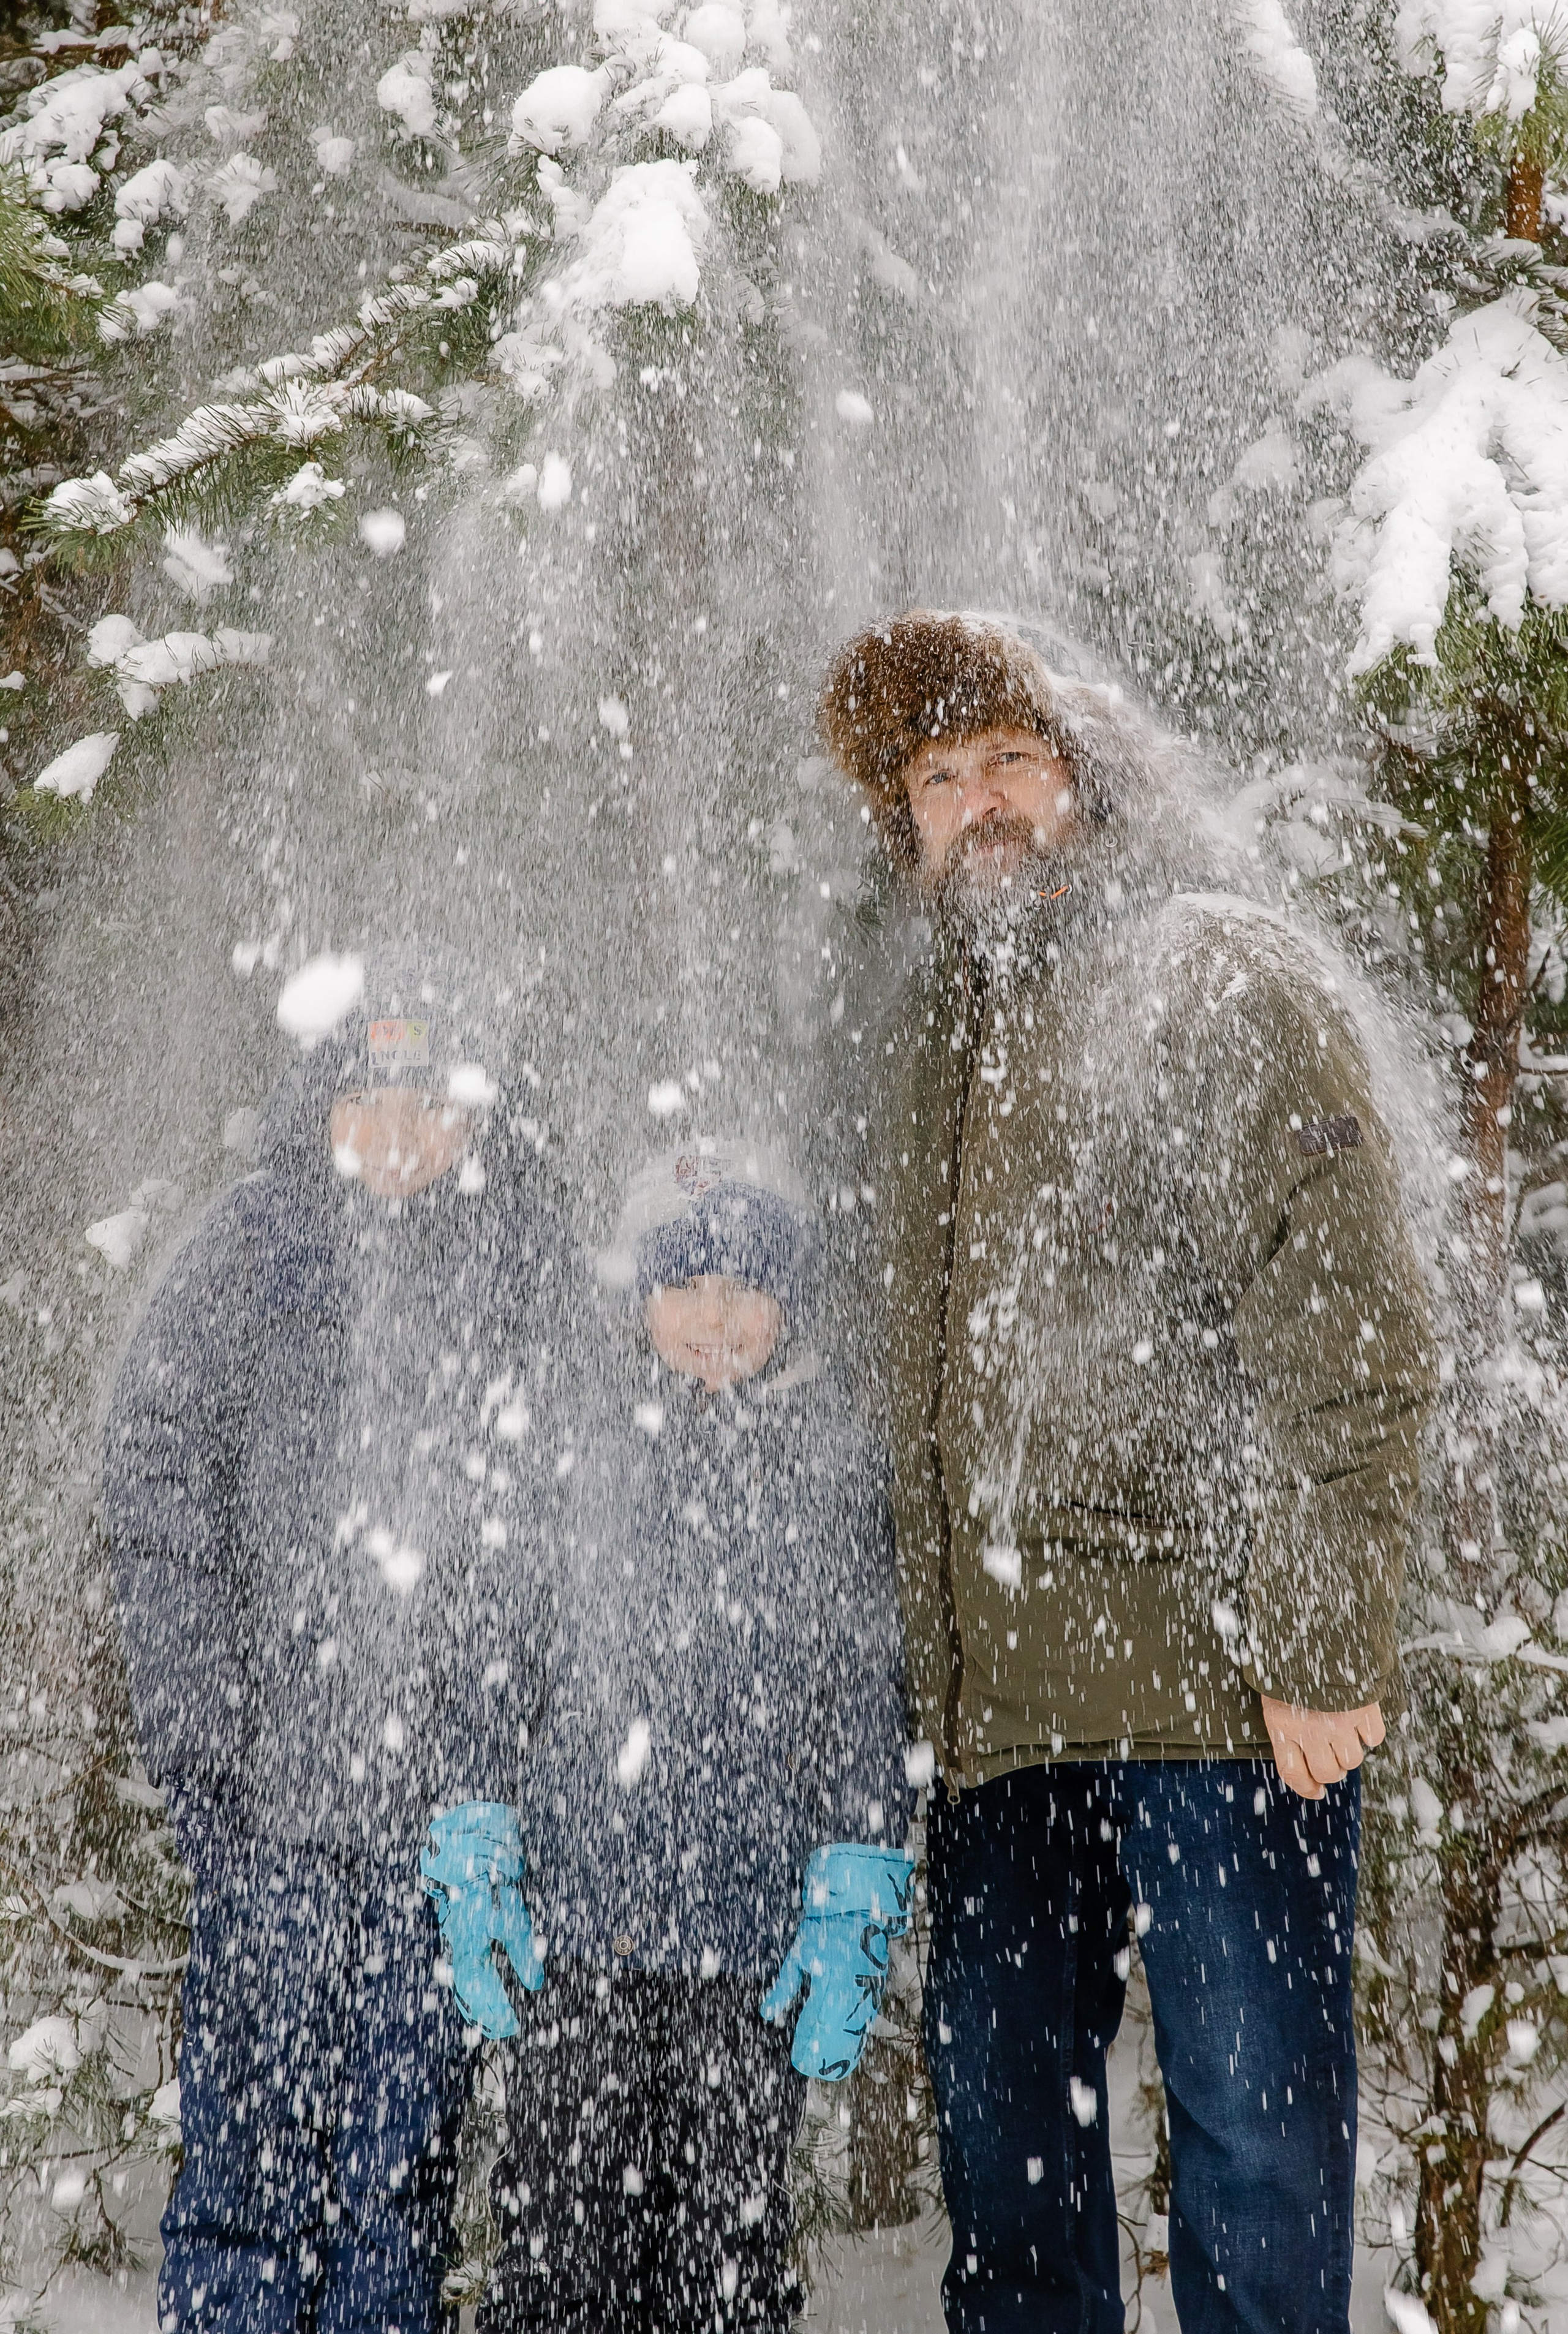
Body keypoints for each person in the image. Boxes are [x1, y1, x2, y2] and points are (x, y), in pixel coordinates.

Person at [820, 611, 1437, 2334]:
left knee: (1255, 2150)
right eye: (940, 777)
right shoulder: (914, 1037)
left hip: (1218, 1689)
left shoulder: (1213, 973)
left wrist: (1319, 1642)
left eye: (1012, 757)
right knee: (1008, 2166)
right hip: (995, 1709)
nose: (982, 802)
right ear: (909, 827)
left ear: (1089, 773)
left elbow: (1354, 1326)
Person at [103, 956, 569, 2334]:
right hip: (272, 1824)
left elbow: (553, 1543)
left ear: (476, 1125)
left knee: (398, 2174)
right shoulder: (252, 1252)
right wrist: (203, 1733)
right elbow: (155, 1475)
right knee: (251, 2163)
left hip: (438, 1843)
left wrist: (497, 1777)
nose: (394, 1136)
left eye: (427, 1108)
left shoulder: (518, 1271)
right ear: (320, 1111)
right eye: (364, 1102)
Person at [479, 1139, 914, 2334]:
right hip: (582, 1939)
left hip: (749, 1949)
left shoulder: (830, 1465)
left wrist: (857, 1867)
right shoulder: (571, 1450)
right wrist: (478, 1817)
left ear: (788, 1305)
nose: (713, 1317)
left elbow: (862, 1692)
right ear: (638, 1301)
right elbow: (498, 1660)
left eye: (742, 1289)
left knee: (722, 2256)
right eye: (685, 1288)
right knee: (558, 2248)